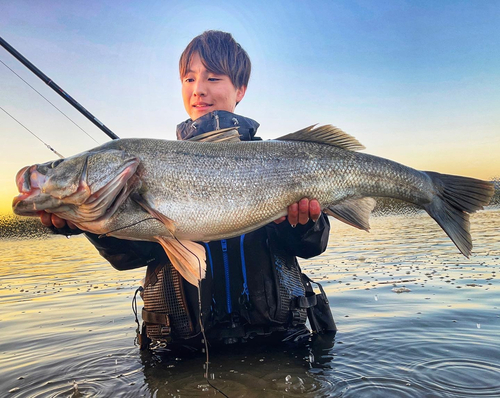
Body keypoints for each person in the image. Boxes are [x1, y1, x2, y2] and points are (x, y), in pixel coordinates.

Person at [40, 30, 336, 350]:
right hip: (180, 350)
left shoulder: (277, 162)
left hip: (277, 342)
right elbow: (129, 257)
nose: (199, 90)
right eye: (189, 78)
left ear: (241, 89)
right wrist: (89, 220)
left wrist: (303, 222)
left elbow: (311, 245)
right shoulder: (143, 169)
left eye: (213, 78)